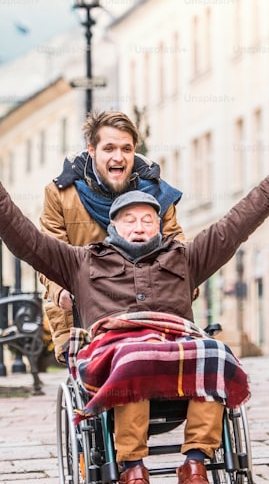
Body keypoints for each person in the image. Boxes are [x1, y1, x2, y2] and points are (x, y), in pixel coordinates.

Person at [0, 135, 269, 484]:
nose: (140, 225)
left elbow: (235, 225)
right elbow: (24, 239)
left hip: (175, 349)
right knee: (135, 356)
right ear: (114, 227)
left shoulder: (183, 258)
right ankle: (131, 470)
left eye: (148, 219)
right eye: (130, 220)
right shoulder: (82, 262)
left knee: (217, 353)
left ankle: (195, 465)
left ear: (159, 225)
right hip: (116, 353)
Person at [38, 110, 184, 366]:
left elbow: (179, 249)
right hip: (88, 312)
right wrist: (59, 289)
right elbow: (48, 254)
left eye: (126, 149)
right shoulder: (60, 193)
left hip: (150, 308)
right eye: (109, 148)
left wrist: (185, 282)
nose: (119, 157)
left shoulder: (158, 193)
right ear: (92, 150)